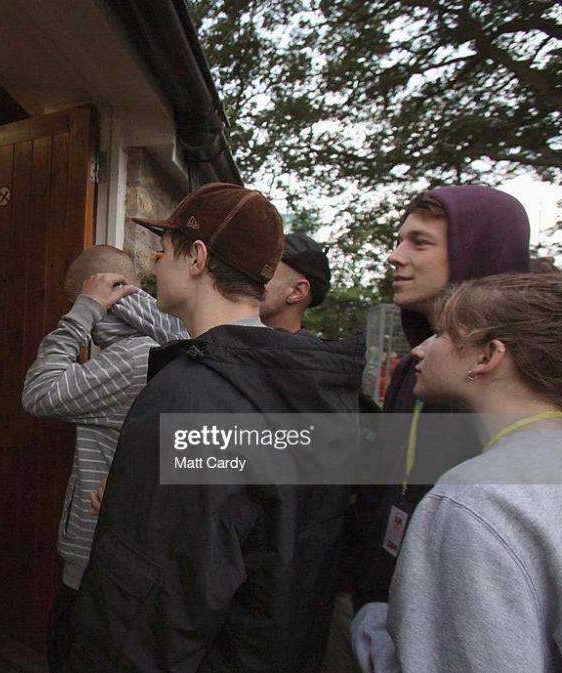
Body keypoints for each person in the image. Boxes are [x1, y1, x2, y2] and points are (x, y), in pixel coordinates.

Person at [62, 183, 365, 673]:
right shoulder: (309, 387)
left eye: (163, 251)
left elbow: (149, 606)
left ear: (197, 257)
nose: (153, 265)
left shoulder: (192, 396)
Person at [351, 272, 562, 673]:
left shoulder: (475, 500)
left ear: (486, 356)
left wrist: (372, 626)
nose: (420, 350)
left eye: (442, 334)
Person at [351, 186, 530, 608]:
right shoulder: (409, 372)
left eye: (420, 242)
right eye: (398, 241)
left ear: (478, 252)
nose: (395, 257)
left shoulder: (529, 385)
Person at [20, 244, 144, 673]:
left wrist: (80, 315)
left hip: (96, 567)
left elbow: (38, 395)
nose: (74, 312)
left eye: (74, 301)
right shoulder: (145, 347)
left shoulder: (131, 359)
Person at [112, 231, 332, 343]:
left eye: (266, 271)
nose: (250, 275)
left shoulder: (303, 369)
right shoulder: (221, 338)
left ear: (297, 292)